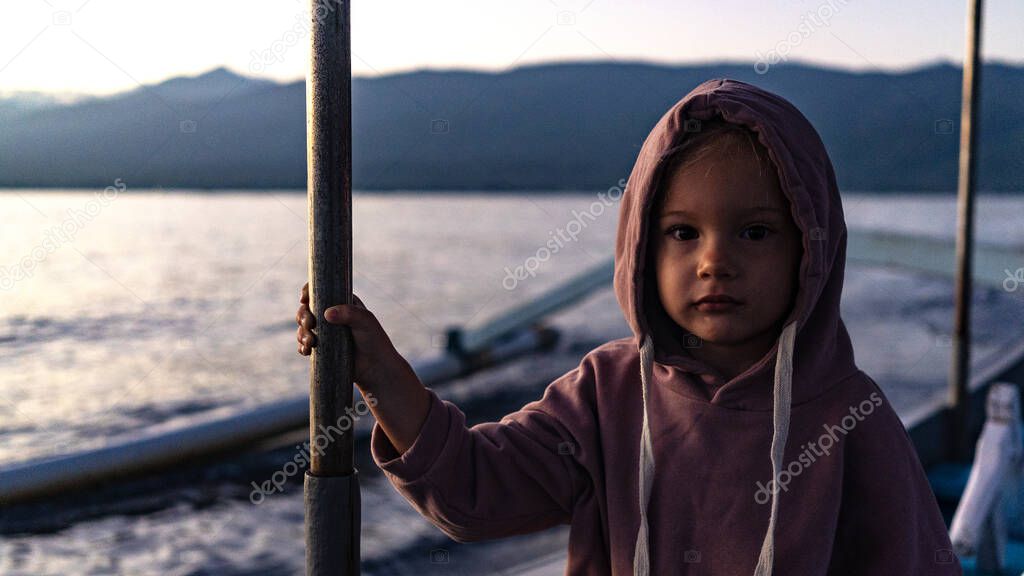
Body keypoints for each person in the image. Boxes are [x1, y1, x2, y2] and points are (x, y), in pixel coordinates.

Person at [295, 78, 961, 575]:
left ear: (811, 249)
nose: (713, 261)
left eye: (755, 232)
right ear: (643, 248)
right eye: (682, 233)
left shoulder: (851, 418)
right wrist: (381, 377)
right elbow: (473, 490)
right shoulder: (605, 396)